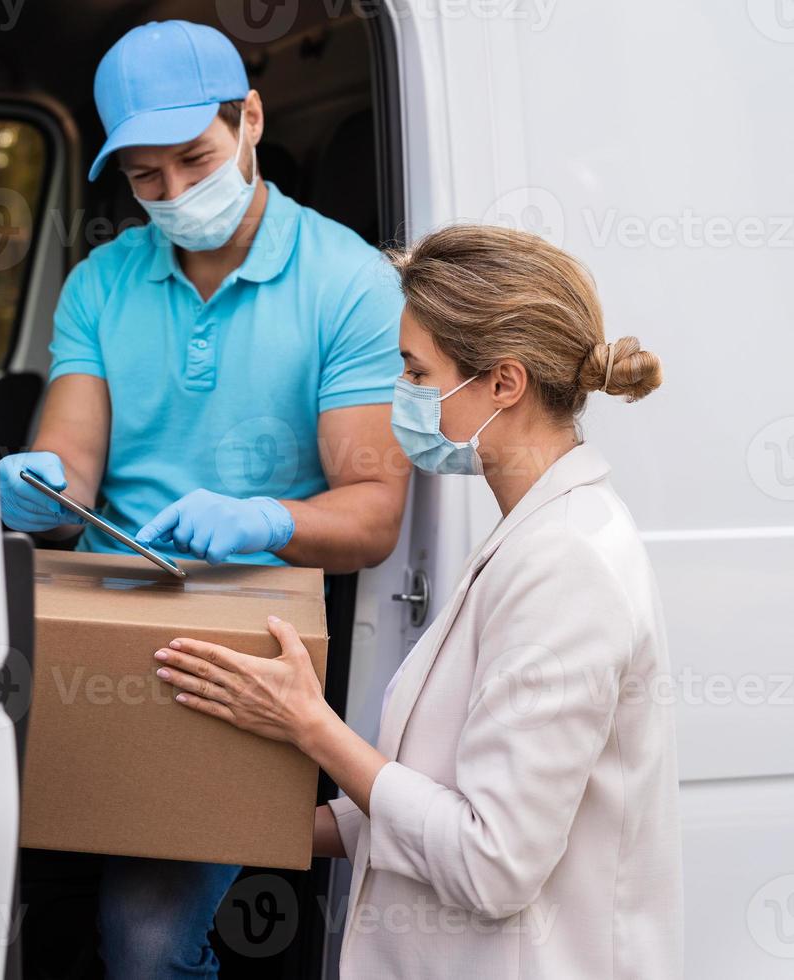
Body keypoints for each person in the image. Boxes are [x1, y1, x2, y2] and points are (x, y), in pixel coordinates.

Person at [153, 224, 684, 978]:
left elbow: (489, 862)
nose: (398, 395)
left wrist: (309, 725)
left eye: (413, 370)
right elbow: (428, 792)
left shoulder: (565, 564)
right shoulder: (531, 532)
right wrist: (251, 825)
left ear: (503, 383)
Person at [0, 18, 409, 977]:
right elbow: (70, 472)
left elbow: (373, 513)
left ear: (251, 119)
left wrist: (264, 520)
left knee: (146, 942)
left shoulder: (347, 283)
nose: (175, 195)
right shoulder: (100, 284)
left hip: (239, 660)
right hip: (96, 633)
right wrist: (38, 489)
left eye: (195, 158)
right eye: (146, 178)